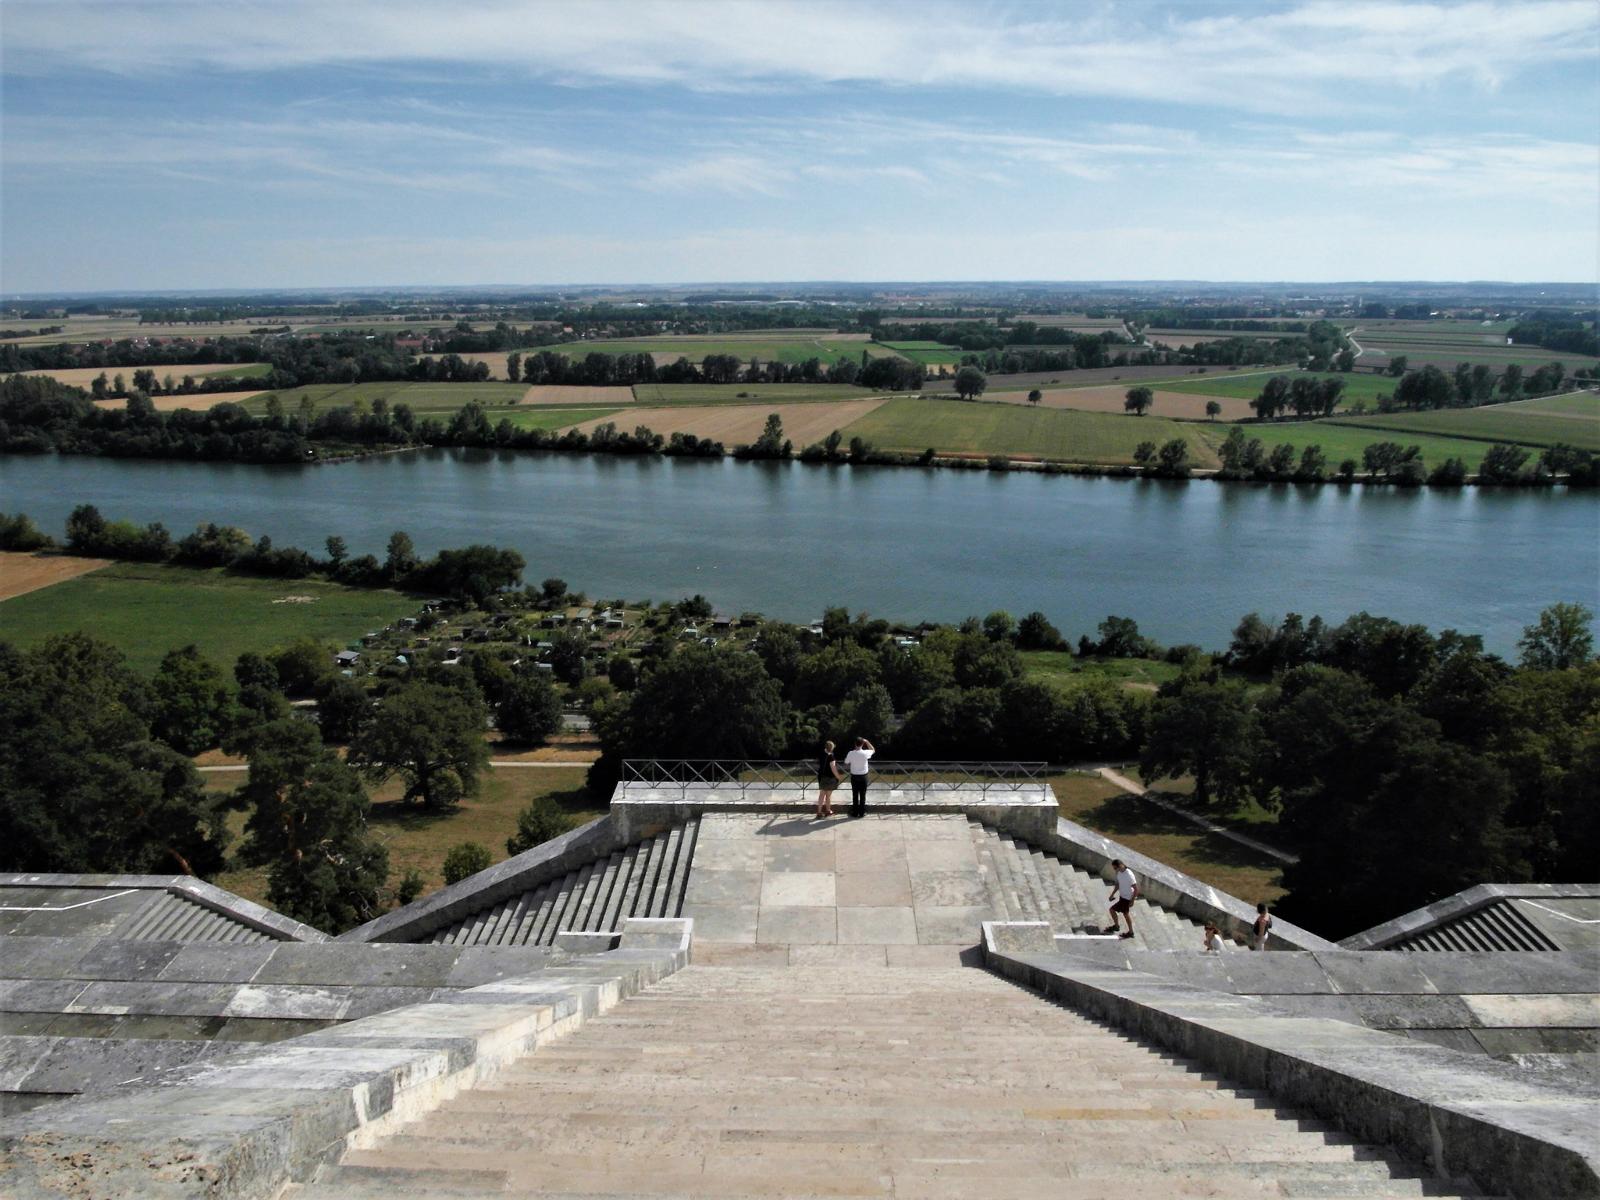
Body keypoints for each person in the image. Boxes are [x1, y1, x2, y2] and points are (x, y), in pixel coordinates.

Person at [1104, 859, 1138, 940]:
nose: (1115, 870)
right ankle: (1120, 928)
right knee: (1122, 913)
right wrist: (1112, 894)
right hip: (1122, 897)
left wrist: (1132, 900)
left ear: (1120, 865)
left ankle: (1130, 932)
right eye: (1114, 868)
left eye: (1115, 868)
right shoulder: (1119, 873)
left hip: (1127, 898)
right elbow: (1118, 884)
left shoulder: (1129, 874)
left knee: (1121, 913)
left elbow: (1136, 889)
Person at [843, 736, 874, 818]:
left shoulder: (851, 753)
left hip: (854, 777)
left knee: (855, 794)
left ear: (855, 744)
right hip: (864, 777)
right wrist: (867, 741)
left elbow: (846, 762)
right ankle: (862, 812)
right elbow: (873, 750)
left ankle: (855, 812)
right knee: (863, 795)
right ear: (862, 744)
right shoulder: (866, 753)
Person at [814, 739, 840, 819]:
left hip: (821, 776)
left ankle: (819, 812)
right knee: (828, 796)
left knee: (821, 795)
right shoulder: (831, 756)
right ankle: (828, 811)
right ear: (832, 748)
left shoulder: (822, 754)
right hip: (830, 778)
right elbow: (833, 768)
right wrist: (838, 776)